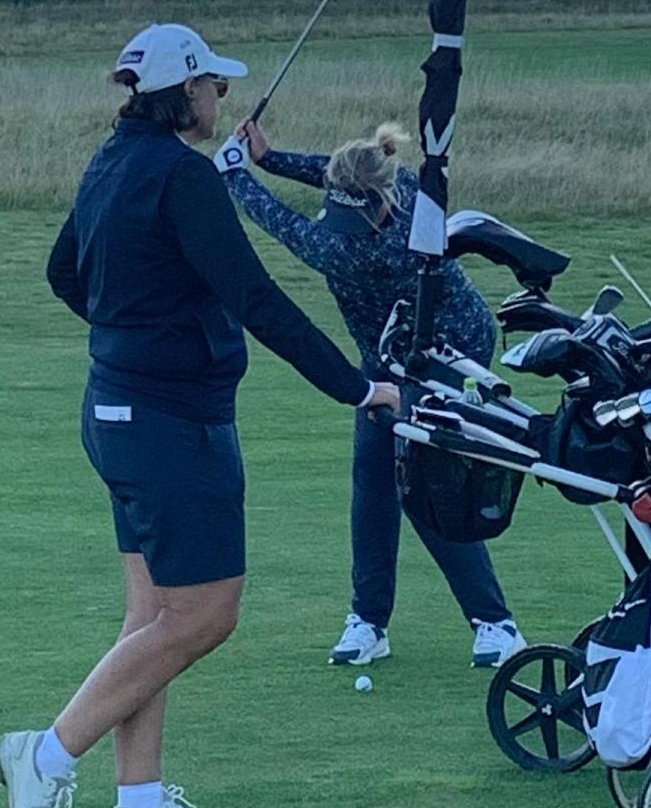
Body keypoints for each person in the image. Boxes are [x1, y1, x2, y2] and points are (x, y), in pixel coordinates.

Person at [0, 23, 398, 808]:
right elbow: (254, 297)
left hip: (117, 413)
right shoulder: (183, 176)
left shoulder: (112, 161)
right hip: (170, 425)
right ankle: (45, 756)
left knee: (153, 618)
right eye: (213, 84)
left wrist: (137, 326)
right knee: (207, 614)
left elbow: (65, 273)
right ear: (184, 90)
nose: (221, 95)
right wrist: (357, 387)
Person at [219, 118, 527, 670]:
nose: (346, 227)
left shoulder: (362, 250)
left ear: (385, 202)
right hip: (388, 355)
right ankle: (369, 620)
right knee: (372, 480)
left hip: (446, 357)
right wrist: (268, 156)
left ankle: (496, 625)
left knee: (424, 483)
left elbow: (284, 224)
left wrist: (235, 175)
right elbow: (334, 171)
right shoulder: (394, 178)